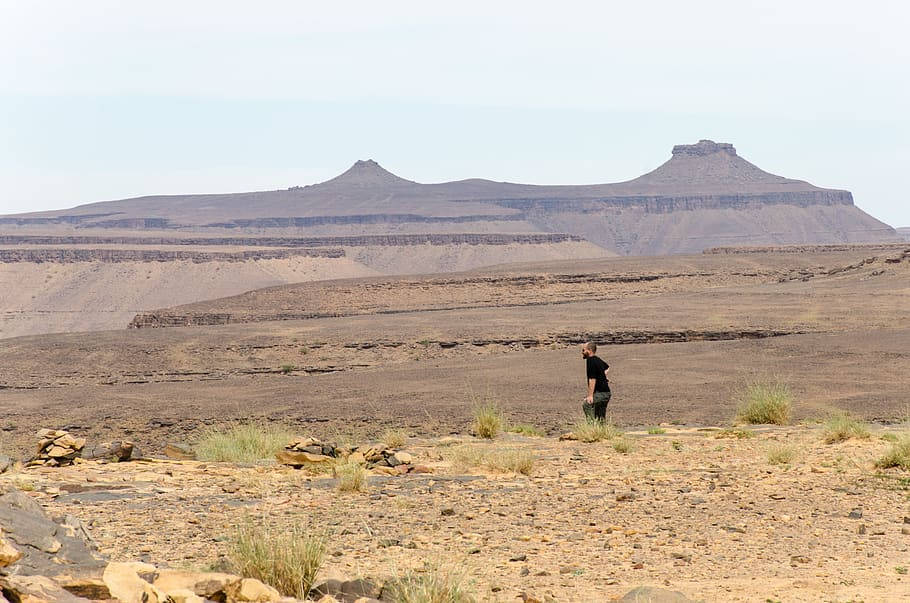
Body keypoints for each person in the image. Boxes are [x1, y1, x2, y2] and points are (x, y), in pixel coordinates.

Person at [581, 341, 611, 421]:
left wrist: (590, 396)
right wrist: (602, 376)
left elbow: (592, 379)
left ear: (589, 350)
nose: (582, 353)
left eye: (583, 350)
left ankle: (591, 427)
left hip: (601, 393)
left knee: (587, 404)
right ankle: (601, 430)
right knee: (600, 417)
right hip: (606, 393)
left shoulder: (590, 360)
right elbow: (607, 367)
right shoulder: (597, 360)